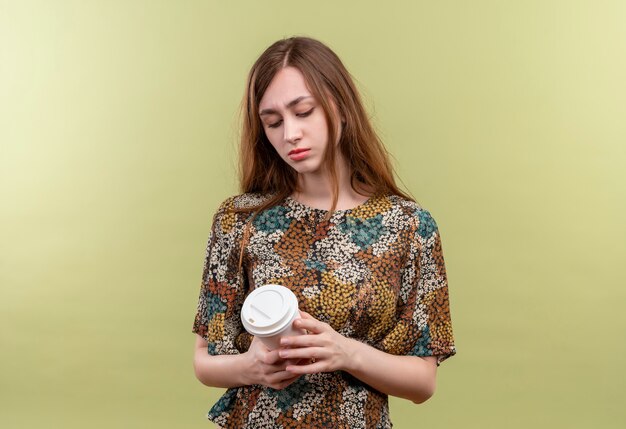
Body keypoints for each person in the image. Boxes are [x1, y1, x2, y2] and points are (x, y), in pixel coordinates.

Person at [192, 36, 456, 428]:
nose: (290, 135)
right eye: (273, 122)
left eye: (303, 112)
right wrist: (252, 368)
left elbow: (423, 382)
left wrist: (346, 352)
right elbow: (204, 360)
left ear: (341, 107)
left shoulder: (410, 225)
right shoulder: (239, 219)